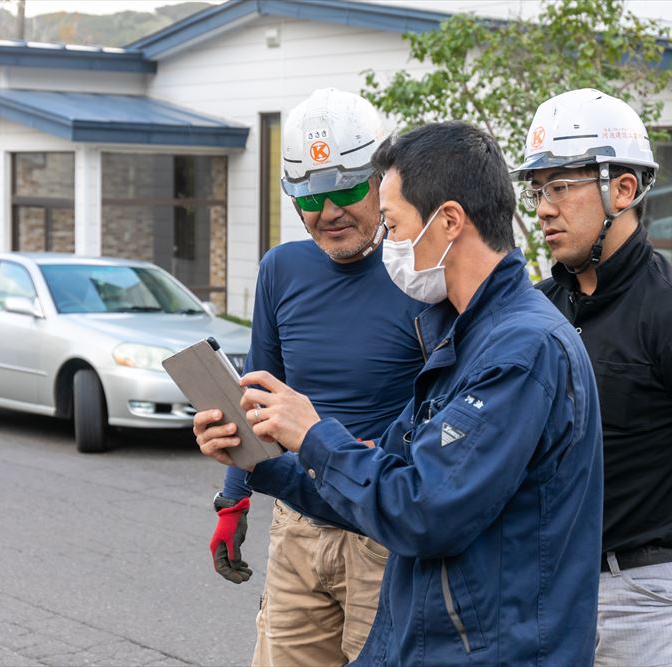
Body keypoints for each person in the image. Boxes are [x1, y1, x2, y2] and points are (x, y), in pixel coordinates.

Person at [198, 121, 604, 666]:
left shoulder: (521, 351)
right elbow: (382, 483)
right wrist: (256, 462)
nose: (386, 243)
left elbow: (424, 510)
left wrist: (315, 434)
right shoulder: (462, 335)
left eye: (392, 223)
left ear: (450, 221)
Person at [512, 88, 672, 667]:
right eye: (537, 190)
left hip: (649, 602)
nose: (543, 209)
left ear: (623, 188)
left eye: (560, 187)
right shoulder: (537, 310)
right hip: (545, 592)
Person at [197, 88, 427, 667]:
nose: (329, 214)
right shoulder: (281, 270)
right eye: (311, 196)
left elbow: (444, 400)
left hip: (386, 536)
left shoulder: (423, 275)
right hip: (297, 528)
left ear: (382, 181)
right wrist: (232, 502)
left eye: (348, 190)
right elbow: (256, 392)